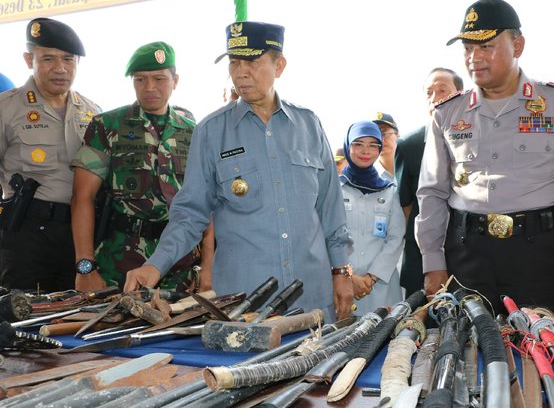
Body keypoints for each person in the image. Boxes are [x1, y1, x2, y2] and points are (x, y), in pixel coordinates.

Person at [124, 22, 354, 321]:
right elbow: (190, 213)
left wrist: (341, 271)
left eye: (252, 62)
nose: (240, 73)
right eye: (234, 63)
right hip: (245, 305)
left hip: (312, 300)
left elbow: (331, 210)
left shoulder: (309, 125)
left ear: (279, 66)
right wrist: (155, 265)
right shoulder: (211, 131)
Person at [415, 0, 554, 321]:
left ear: (518, 45)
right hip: (467, 257)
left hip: (538, 256)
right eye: (468, 49)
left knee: (544, 356)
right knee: (467, 356)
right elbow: (432, 192)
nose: (473, 58)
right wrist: (433, 261)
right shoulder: (447, 113)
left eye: (486, 47)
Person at [70, 41, 213, 292]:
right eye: (140, 79)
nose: (149, 88)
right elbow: (82, 197)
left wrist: (209, 268)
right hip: (120, 263)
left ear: (175, 80)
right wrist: (85, 268)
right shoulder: (107, 126)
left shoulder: (195, 132)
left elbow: (207, 206)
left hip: (182, 266)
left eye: (159, 79)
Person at [0, 17, 101, 292]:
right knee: (21, 320)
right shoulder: (6, 109)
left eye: (68, 60)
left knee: (78, 317)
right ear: (28, 59)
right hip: (26, 234)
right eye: (48, 59)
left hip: (81, 237)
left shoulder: (94, 113)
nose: (60, 69)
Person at [395, 67, 463, 297]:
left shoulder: (478, 141)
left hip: (467, 254)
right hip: (422, 259)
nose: (435, 99)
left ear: (460, 93)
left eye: (442, 90)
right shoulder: (408, 146)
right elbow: (406, 207)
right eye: (429, 93)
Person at [340, 121, 404, 315]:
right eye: (358, 144)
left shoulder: (391, 190)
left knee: (384, 339)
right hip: (343, 284)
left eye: (372, 145)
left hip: (381, 287)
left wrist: (371, 277)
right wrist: (350, 278)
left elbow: (396, 237)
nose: (365, 151)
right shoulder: (334, 190)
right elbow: (328, 237)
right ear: (347, 146)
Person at [372, 112, 399, 180]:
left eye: (385, 133)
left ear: (397, 136)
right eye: (376, 134)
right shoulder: (368, 177)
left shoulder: (412, 168)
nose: (381, 139)